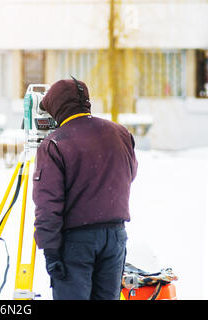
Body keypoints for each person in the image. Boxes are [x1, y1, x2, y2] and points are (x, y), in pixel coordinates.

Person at [32, 78, 138, 300]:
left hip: (76, 242)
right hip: (115, 238)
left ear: (56, 107)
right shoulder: (120, 134)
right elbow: (129, 174)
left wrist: (50, 251)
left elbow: (47, 204)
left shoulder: (54, 143)